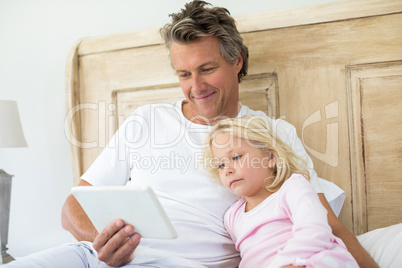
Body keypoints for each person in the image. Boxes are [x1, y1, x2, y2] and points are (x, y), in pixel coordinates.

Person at [4, 1, 377, 267]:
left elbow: (322, 218)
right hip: (93, 258)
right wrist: (100, 244)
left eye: (207, 69)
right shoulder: (146, 119)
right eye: (184, 74)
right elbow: (73, 207)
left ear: (237, 61)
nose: (195, 86)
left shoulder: (272, 134)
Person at [204, 115, 359, 268]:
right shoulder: (232, 217)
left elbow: (316, 230)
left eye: (236, 157)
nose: (227, 170)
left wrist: (284, 264)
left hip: (308, 260)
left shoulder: (293, 188)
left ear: (270, 157)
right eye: (221, 165)